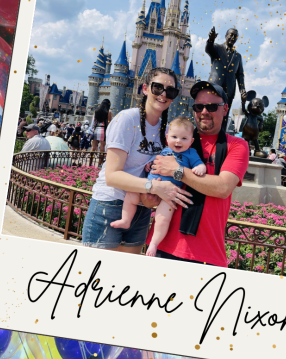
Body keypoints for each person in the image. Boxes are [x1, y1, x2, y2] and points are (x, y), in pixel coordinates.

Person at [81, 67, 192, 254]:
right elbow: (112, 176)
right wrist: (156, 187)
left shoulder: (168, 132)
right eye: (158, 88)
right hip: (110, 204)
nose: (163, 94)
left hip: (141, 208)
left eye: (170, 91)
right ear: (145, 89)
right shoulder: (127, 119)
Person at [147, 80, 250, 267]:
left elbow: (222, 187)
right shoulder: (176, 140)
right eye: (199, 106)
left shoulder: (236, 145)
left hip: (207, 255)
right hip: (162, 247)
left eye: (211, 106)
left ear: (225, 109)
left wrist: (177, 170)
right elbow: (150, 189)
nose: (204, 111)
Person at [112, 117, 206, 258]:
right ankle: (126, 220)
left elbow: (200, 164)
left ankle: (154, 243)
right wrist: (149, 165)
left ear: (191, 141)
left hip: (168, 194)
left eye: (184, 138)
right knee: (131, 194)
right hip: (150, 187)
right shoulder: (165, 150)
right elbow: (154, 161)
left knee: (163, 218)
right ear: (167, 137)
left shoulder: (190, 153)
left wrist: (200, 168)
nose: (178, 141)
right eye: (174, 137)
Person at [206, 27, 247, 127]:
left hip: (229, 90)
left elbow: (240, 74)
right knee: (209, 111)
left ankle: (221, 139)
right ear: (226, 35)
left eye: (235, 36)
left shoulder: (238, 56)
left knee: (224, 115)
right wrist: (211, 40)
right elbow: (208, 49)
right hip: (215, 86)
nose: (232, 37)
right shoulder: (217, 48)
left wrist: (242, 89)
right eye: (231, 34)